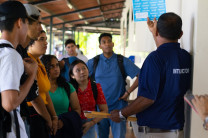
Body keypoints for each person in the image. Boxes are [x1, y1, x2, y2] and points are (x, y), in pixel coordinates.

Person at [110, 12, 192, 138]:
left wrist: (122, 113)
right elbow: (166, 51)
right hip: (177, 130)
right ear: (181, 34)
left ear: (158, 31)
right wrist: (155, 33)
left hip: (154, 132)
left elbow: (147, 99)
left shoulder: (154, 59)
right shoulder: (186, 57)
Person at [87, 33, 140, 138]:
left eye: (109, 41)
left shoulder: (122, 61)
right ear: (100, 46)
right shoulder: (93, 62)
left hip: (119, 108)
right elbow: (82, 79)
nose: (107, 44)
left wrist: (128, 92)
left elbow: (141, 76)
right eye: (104, 42)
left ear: (113, 44)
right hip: (100, 108)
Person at [0, 1, 37, 137]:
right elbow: (9, 103)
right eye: (27, 23)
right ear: (19, 23)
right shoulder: (11, 55)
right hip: (8, 131)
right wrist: (32, 76)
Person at [15, 4, 51, 137]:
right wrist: (49, 119)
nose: (40, 28)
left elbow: (43, 93)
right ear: (22, 23)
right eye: (37, 23)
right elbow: (33, 96)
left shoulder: (25, 55)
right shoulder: (14, 54)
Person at [41, 54, 82, 137]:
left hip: (64, 131)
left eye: (57, 65)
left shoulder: (67, 86)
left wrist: (63, 121)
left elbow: (77, 110)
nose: (56, 69)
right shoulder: (39, 88)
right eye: (51, 66)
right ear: (44, 68)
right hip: (43, 130)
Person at [27, 30, 58, 137]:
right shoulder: (27, 62)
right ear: (30, 43)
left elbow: (45, 93)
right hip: (33, 114)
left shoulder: (39, 63)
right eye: (41, 39)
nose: (46, 43)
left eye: (46, 39)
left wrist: (54, 117)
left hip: (43, 113)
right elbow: (35, 97)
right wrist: (49, 119)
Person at [69, 60, 108, 138]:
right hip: (71, 125)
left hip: (89, 125)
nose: (82, 72)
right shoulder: (68, 88)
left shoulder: (96, 87)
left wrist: (92, 123)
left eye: (84, 68)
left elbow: (104, 110)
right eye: (78, 70)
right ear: (72, 75)